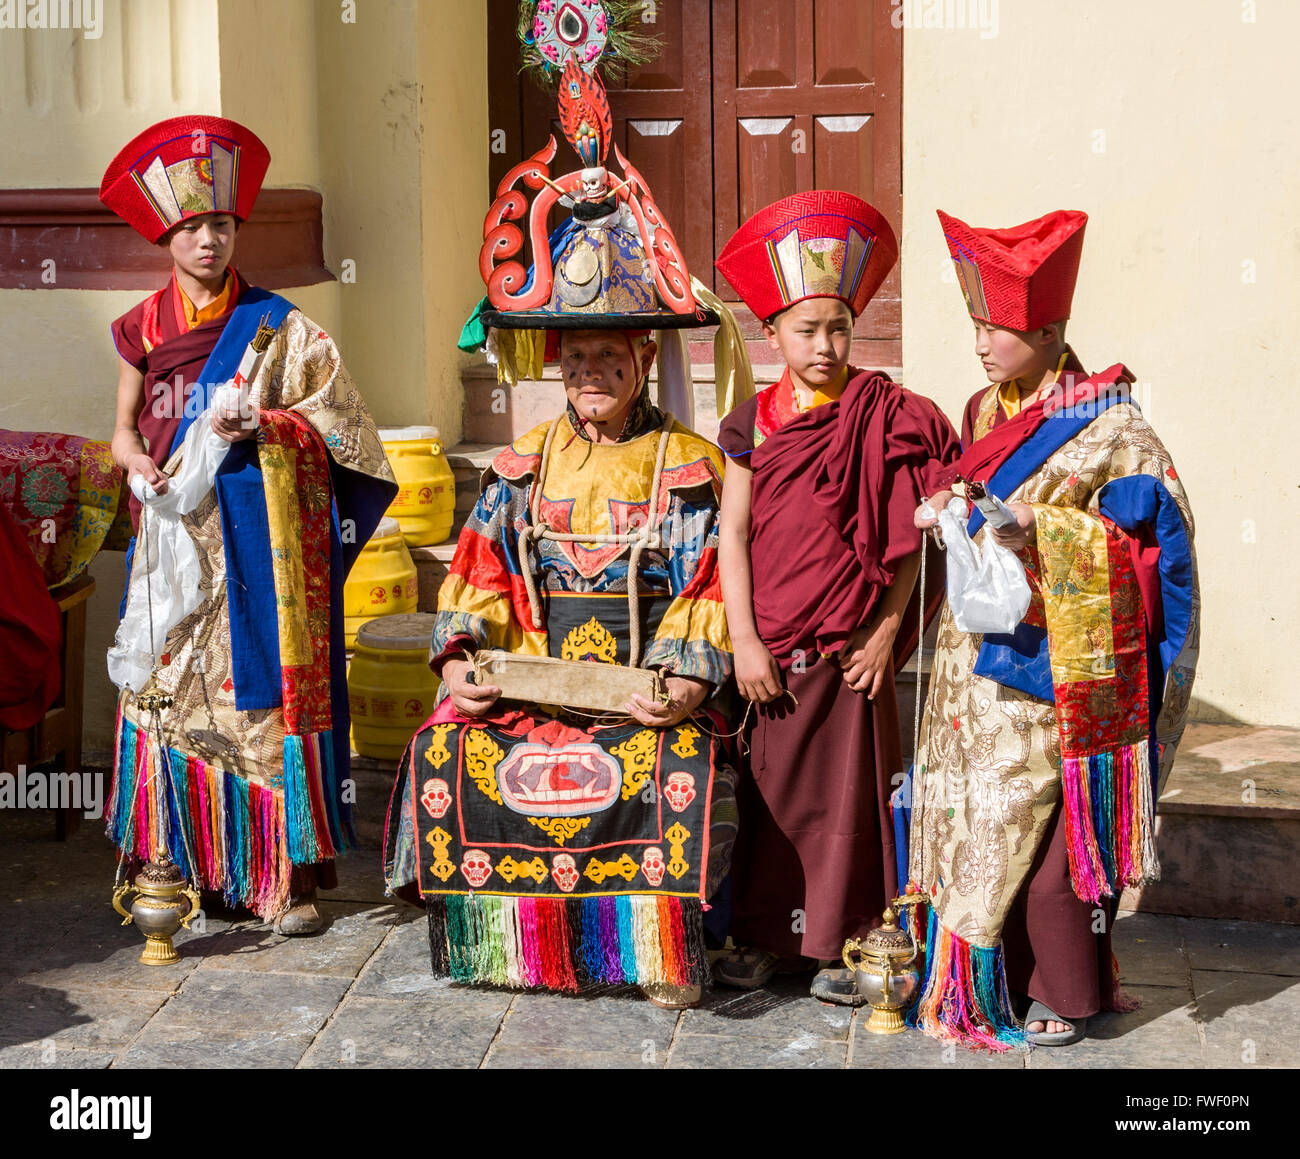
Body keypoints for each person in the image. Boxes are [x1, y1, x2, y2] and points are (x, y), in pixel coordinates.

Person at [384, 34, 736, 1009]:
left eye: (611, 359)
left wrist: (678, 683)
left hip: (642, 696)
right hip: (541, 685)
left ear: (640, 362)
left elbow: (706, 592)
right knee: (447, 741)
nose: (593, 374)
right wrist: (463, 655)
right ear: (556, 365)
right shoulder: (518, 468)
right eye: (576, 358)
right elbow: (480, 577)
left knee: (665, 756)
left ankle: (659, 953)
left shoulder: (689, 469)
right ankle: (510, 942)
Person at [910, 208, 1200, 1048]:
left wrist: (1047, 533)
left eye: (995, 328)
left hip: (1060, 667)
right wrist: (952, 509)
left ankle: (1064, 990)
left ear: (1047, 327)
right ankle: (980, 985)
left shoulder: (1111, 423)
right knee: (976, 821)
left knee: (1041, 841)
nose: (979, 345)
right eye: (974, 324)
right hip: (977, 657)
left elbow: (1154, 543)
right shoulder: (980, 406)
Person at [100, 116, 396, 934]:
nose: (209, 239)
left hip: (260, 542)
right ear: (169, 234)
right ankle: (173, 857)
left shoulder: (280, 327)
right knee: (167, 697)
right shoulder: (139, 329)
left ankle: (283, 875)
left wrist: (267, 426)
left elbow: (346, 431)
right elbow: (125, 427)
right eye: (193, 225)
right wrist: (135, 463)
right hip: (169, 539)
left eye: (222, 224)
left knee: (259, 704)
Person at [711, 191, 959, 1004]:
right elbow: (735, 535)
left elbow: (914, 544)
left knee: (848, 807)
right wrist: (744, 640)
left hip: (853, 652)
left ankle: (844, 946)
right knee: (772, 798)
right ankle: (761, 937)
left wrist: (889, 632)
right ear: (772, 334)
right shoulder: (751, 423)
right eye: (806, 329)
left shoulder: (887, 416)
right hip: (775, 649)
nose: (825, 345)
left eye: (839, 327)